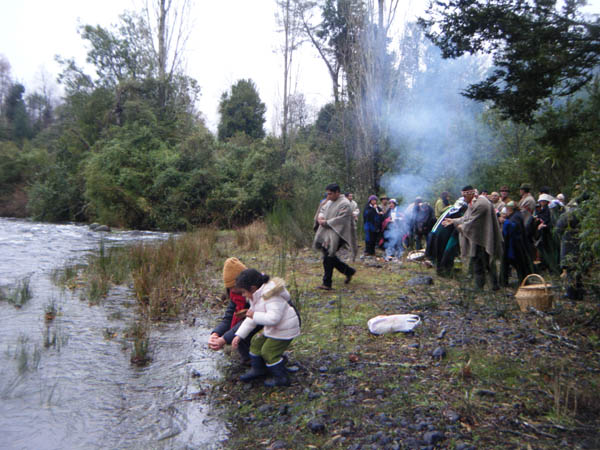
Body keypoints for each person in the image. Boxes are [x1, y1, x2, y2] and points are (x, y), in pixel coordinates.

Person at [232, 269, 300, 387]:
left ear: (252, 288)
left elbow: (273, 319)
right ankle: (258, 369)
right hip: (274, 327)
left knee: (269, 352)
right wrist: (239, 335)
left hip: (285, 329)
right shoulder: (256, 296)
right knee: (256, 342)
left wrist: (254, 315)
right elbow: (251, 318)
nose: (243, 295)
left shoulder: (271, 296)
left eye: (243, 292)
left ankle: (281, 378)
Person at [443, 185, 503, 290]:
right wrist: (453, 221)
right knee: (486, 263)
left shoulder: (481, 204)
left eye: (464, 196)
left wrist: (461, 227)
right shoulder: (473, 202)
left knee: (480, 262)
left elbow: (472, 222)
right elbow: (466, 217)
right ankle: (494, 285)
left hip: (482, 239)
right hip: (479, 237)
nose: (463, 198)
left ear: (470, 193)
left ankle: (480, 288)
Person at [208, 257, 261, 364]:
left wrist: (224, 339)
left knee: (243, 333)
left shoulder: (256, 294)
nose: (232, 290)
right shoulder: (236, 295)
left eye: (234, 287)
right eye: (229, 288)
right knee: (239, 333)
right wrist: (216, 333)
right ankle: (249, 360)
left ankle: (257, 361)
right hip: (254, 323)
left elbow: (249, 321)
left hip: (272, 325)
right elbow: (229, 317)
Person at [314, 183, 357, 290]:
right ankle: (349, 271)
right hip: (328, 233)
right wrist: (320, 217)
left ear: (337, 192)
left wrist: (326, 222)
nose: (329, 196)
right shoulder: (330, 202)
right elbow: (323, 210)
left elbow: (341, 219)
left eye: (331, 194)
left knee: (328, 257)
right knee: (329, 256)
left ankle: (327, 283)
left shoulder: (345, 203)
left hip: (340, 233)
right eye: (327, 194)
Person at [498, 202, 533, 286]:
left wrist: (505, 221)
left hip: (514, 244)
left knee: (518, 264)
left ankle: (523, 281)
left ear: (511, 209)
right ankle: (505, 282)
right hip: (513, 243)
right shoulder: (516, 215)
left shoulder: (516, 216)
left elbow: (513, 226)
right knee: (511, 263)